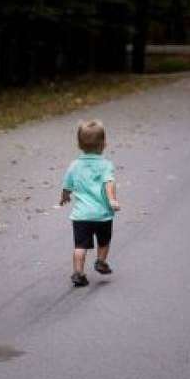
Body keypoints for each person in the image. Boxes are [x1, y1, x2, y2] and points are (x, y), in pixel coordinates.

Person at [59, 119, 121, 287]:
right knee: (104, 241)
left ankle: (78, 273)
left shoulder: (74, 165)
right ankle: (101, 261)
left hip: (81, 216)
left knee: (80, 246)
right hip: (102, 214)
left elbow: (67, 185)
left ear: (79, 144)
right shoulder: (105, 165)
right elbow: (109, 183)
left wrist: (64, 196)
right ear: (104, 144)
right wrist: (112, 199)